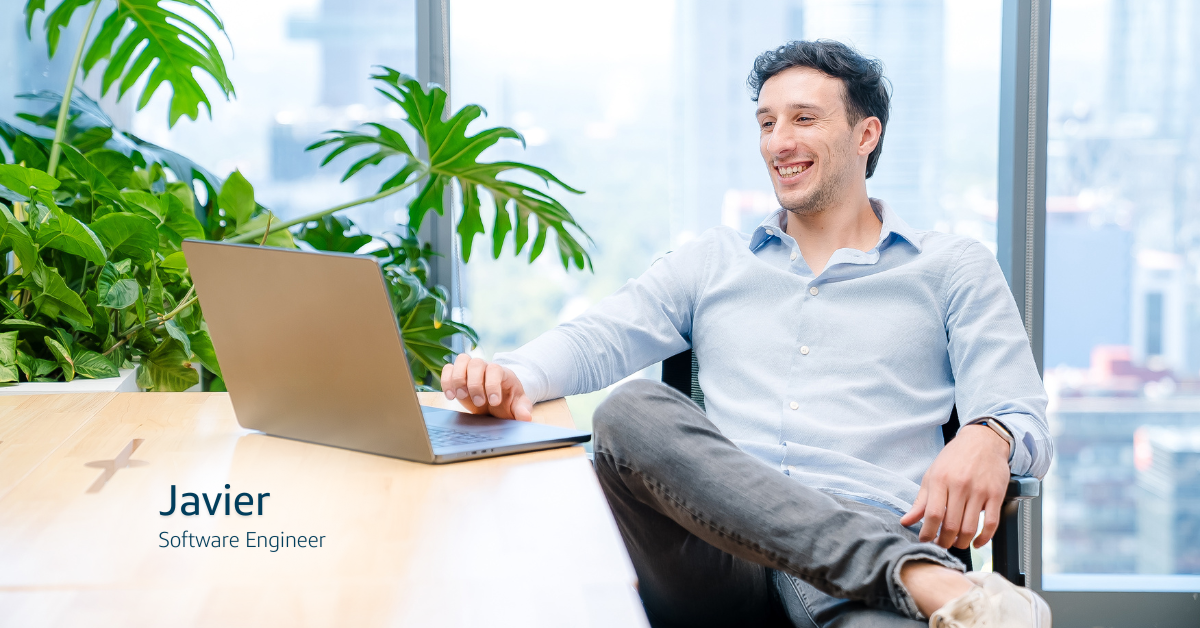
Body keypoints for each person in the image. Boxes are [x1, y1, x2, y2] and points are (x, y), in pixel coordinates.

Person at [439, 40, 1053, 628]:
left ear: (867, 134)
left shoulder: (951, 268)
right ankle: (918, 578)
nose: (779, 143)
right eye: (766, 123)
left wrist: (991, 433)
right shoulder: (713, 262)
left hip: (869, 538)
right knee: (629, 411)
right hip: (714, 553)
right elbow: (599, 338)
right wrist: (512, 375)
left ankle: (902, 573)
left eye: (804, 119)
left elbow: (1022, 419)